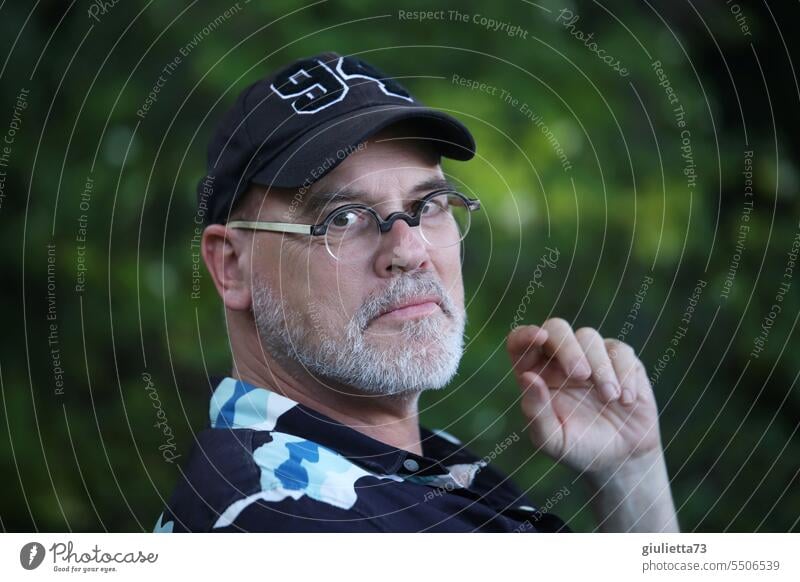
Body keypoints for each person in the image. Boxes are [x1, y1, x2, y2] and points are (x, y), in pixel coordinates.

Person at [153, 51, 679, 533]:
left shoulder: (420, 467)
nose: (408, 250)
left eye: (429, 205)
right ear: (233, 266)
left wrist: (629, 475)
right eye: (344, 217)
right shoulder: (281, 519)